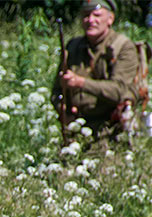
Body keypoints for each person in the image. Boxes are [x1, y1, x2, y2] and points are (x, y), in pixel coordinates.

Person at [52, 0, 141, 141]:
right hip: (77, 128)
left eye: (97, 15)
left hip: (110, 128)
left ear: (110, 19)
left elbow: (119, 91)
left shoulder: (122, 47)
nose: (91, 20)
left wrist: (81, 83)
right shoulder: (73, 46)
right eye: (86, 15)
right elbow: (57, 90)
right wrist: (63, 111)